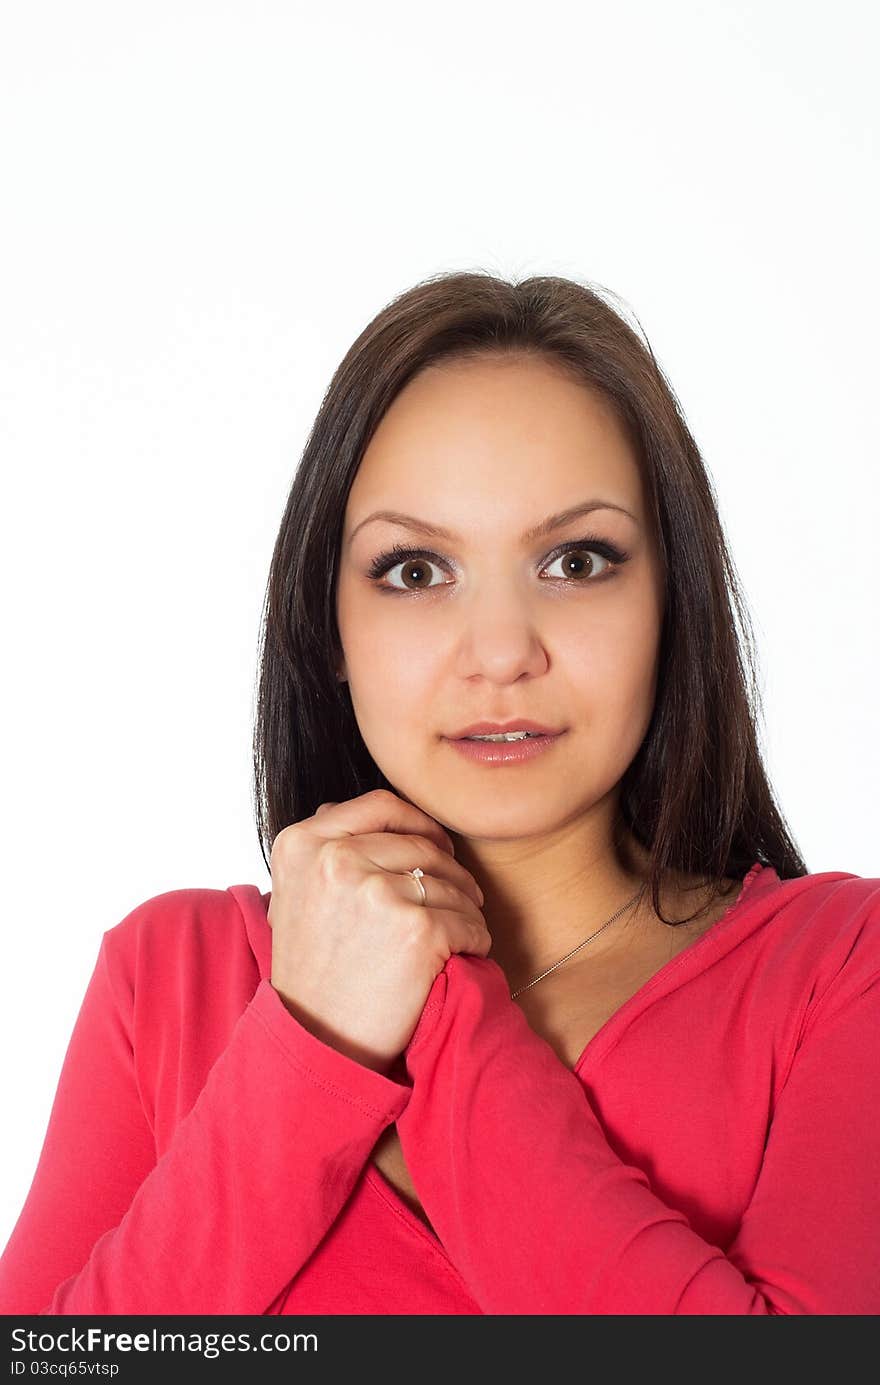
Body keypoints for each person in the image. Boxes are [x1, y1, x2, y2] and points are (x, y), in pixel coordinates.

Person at [1, 271, 877, 1316]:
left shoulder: (839, 969)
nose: (502, 652)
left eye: (576, 559)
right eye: (415, 570)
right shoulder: (168, 977)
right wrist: (306, 1040)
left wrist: (438, 1002)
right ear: (326, 626)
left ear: (670, 604)